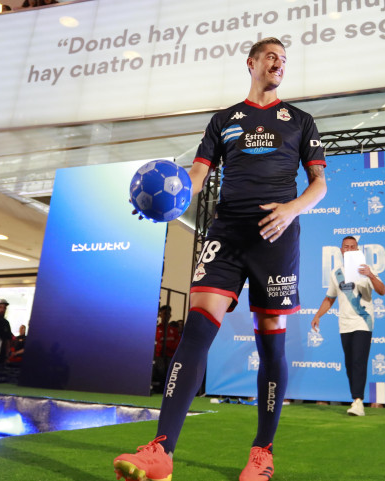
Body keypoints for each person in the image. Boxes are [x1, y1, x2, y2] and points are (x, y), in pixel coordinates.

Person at [113, 37, 327, 481]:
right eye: (271, 57)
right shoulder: (224, 119)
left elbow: (319, 185)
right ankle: (161, 450)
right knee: (195, 333)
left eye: (284, 60)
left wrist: (291, 208)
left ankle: (261, 453)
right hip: (226, 233)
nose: (278, 64)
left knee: (272, 342)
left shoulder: (302, 121)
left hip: (276, 237)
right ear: (251, 63)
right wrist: (166, 201)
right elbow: (196, 174)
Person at [310, 236, 385, 417]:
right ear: (341, 250)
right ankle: (355, 399)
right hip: (344, 324)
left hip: (363, 321)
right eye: (346, 247)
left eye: (353, 247)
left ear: (358, 250)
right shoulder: (336, 272)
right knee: (350, 363)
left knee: (359, 361)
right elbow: (330, 298)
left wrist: (370, 275)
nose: (350, 249)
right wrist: (317, 315)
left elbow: (382, 290)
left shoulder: (367, 270)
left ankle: (358, 402)